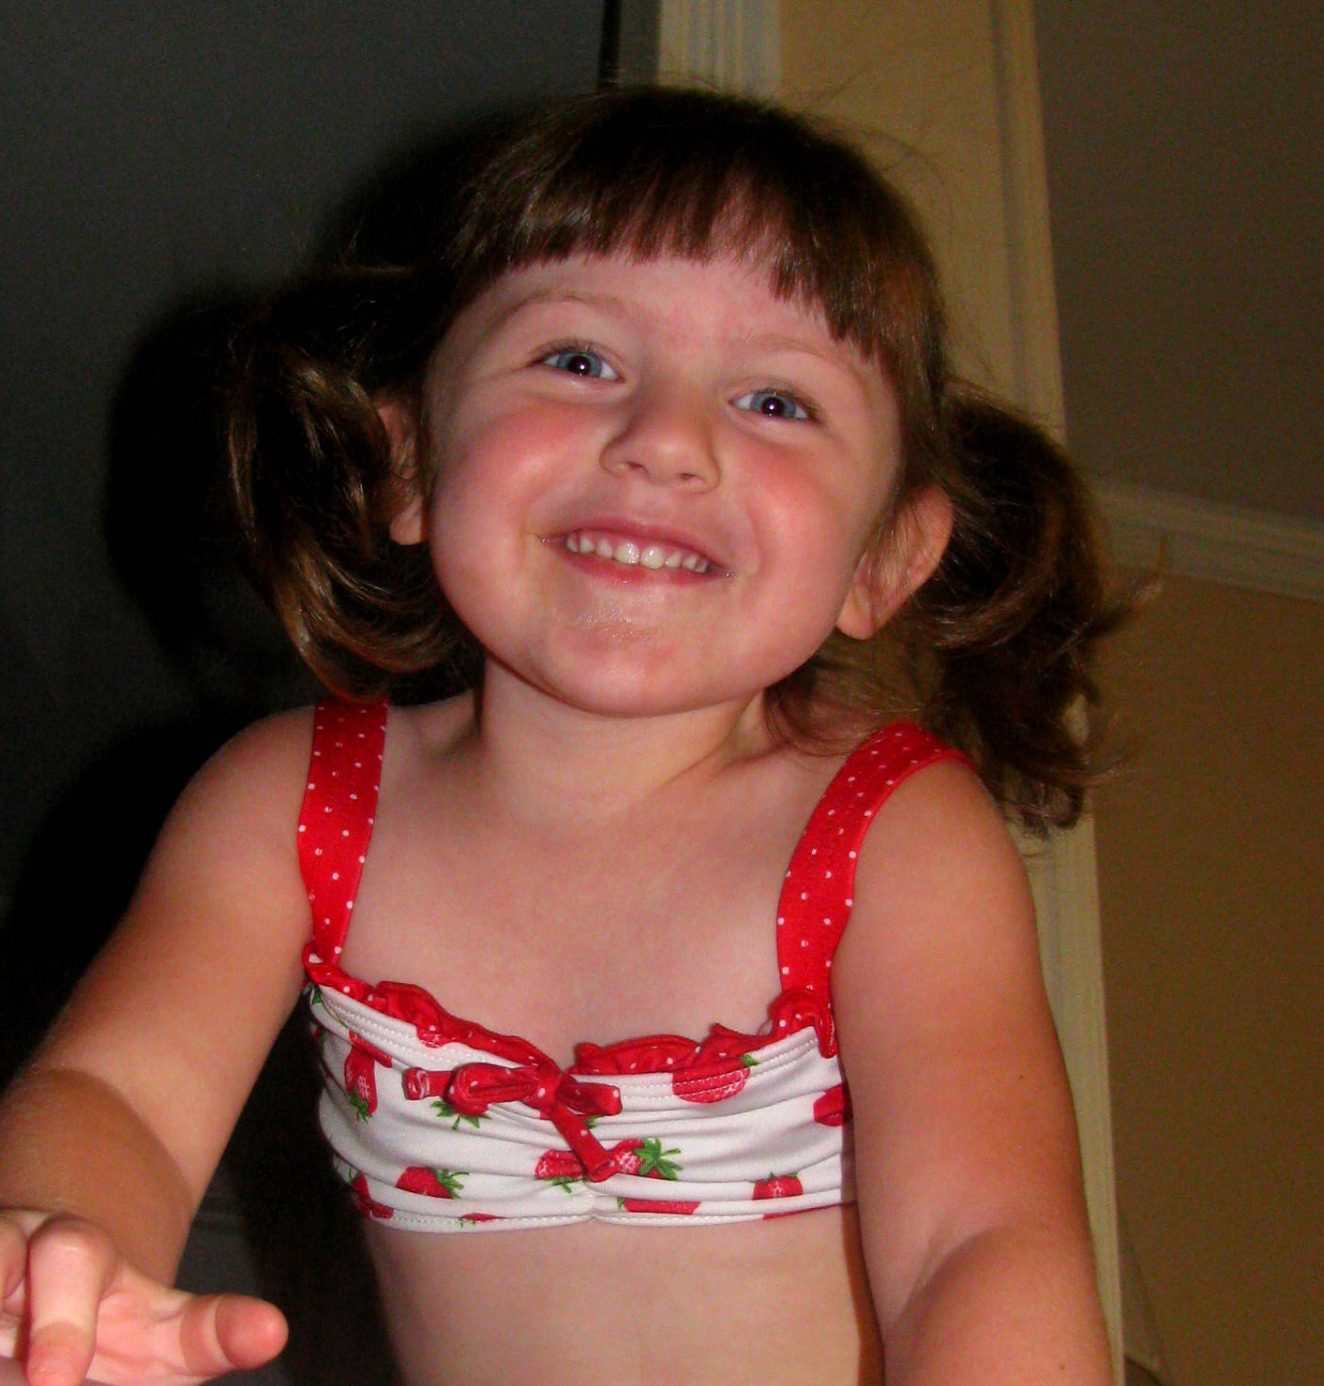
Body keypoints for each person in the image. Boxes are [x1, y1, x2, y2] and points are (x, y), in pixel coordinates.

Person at [0, 87, 1125, 1386]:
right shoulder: (286, 806)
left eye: (776, 400)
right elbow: (121, 1099)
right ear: (409, 460)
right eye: (579, 360)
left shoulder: (893, 834)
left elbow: (977, 1243)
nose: (664, 441)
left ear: (884, 557)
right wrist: (51, 1245)